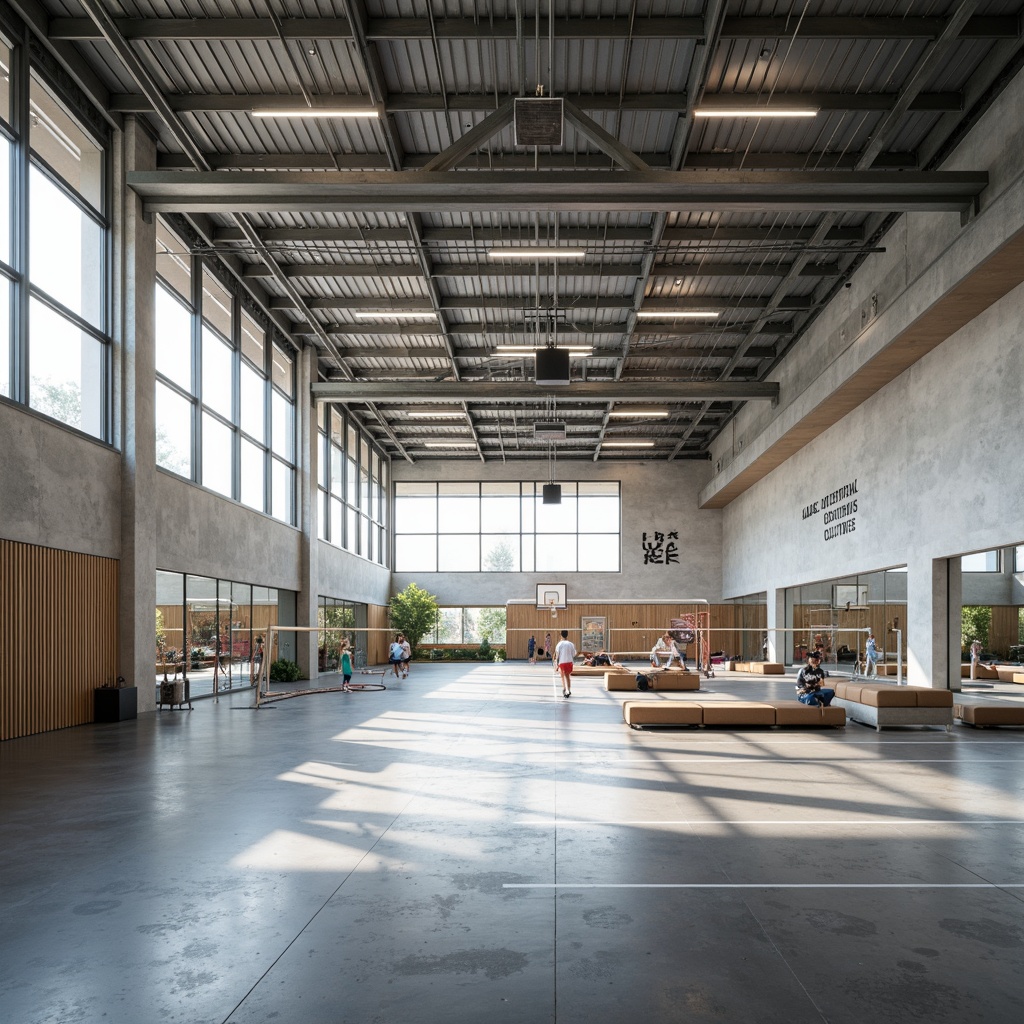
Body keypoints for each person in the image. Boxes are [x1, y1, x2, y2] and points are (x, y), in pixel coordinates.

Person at [553, 629, 577, 698]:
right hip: (569, 662)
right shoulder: (571, 644)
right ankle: (569, 690)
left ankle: (565, 689)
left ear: (561, 635)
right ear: (567, 635)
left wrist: (556, 665)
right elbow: (573, 654)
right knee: (568, 676)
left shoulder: (559, 644)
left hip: (562, 662)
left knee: (563, 677)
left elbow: (557, 655)